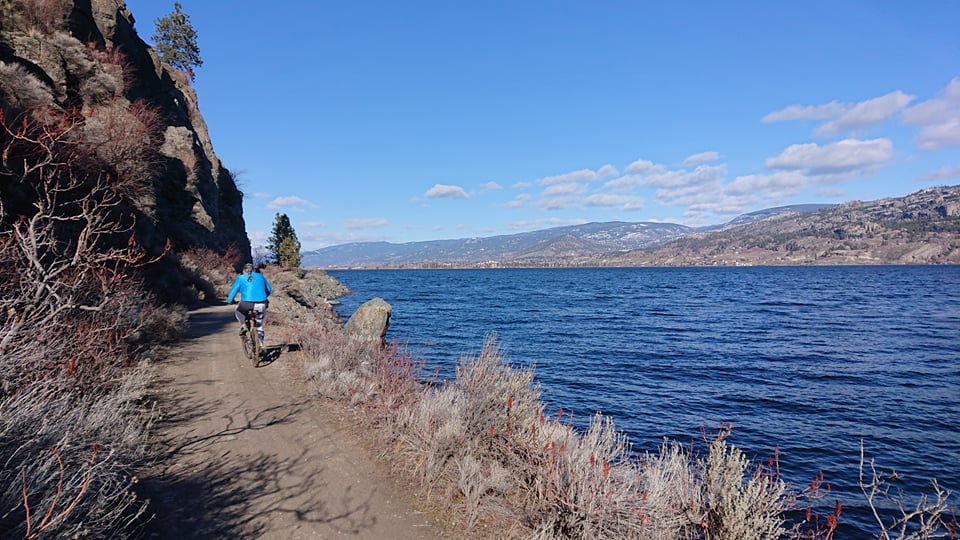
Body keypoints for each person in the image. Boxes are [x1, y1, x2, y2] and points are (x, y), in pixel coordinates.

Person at [227, 263, 272, 345]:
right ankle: (260, 345)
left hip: (246, 304)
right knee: (259, 326)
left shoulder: (241, 278)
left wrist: (230, 301)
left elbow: (233, 292)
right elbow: (269, 290)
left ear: (243, 270)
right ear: (254, 270)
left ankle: (243, 325)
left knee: (238, 311)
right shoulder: (261, 276)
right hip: (261, 304)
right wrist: (263, 296)